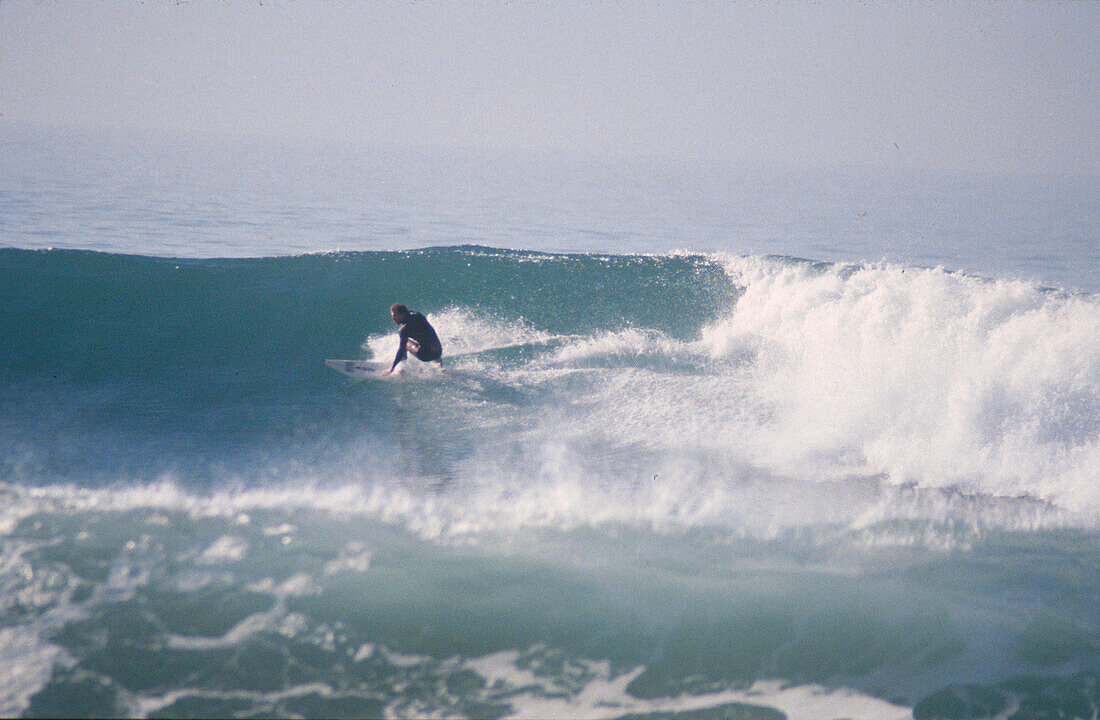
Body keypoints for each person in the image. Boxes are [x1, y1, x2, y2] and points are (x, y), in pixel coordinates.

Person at [382, 303, 442, 376]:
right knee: (431, 340)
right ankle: (439, 367)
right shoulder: (418, 316)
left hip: (425, 355)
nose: (393, 318)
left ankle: (401, 370)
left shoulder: (404, 330)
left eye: (395, 315)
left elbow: (401, 350)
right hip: (438, 351)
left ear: (403, 314)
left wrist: (391, 368)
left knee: (405, 344)